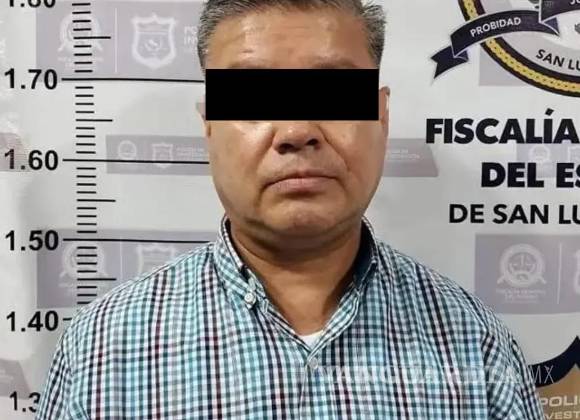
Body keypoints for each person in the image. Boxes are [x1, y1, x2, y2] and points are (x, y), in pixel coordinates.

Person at [36, 0, 544, 418]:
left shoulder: (475, 344)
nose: (298, 131)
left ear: (381, 116)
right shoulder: (103, 351)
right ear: (209, 125)